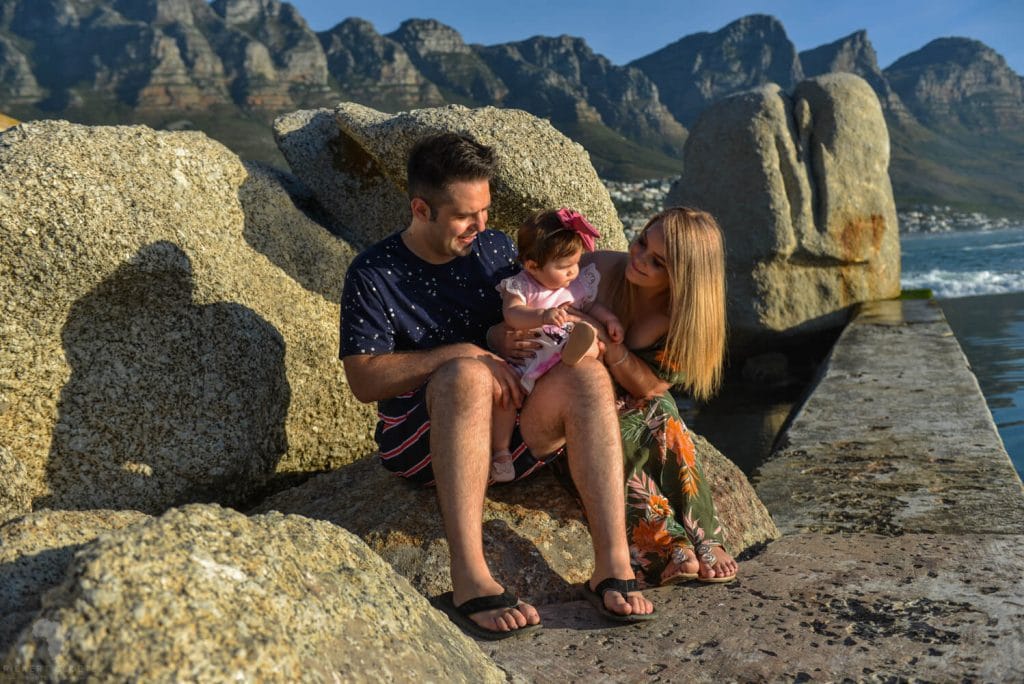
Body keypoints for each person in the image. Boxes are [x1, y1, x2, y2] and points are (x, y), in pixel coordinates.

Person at [339, 132, 654, 640]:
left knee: (588, 374)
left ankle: (611, 563)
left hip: (512, 435)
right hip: (426, 440)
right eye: (466, 215)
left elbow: (532, 303)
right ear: (422, 209)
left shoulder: (494, 249)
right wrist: (466, 352)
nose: (481, 226)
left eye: (485, 210)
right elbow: (363, 378)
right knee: (464, 374)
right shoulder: (375, 274)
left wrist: (513, 334)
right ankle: (470, 579)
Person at [579, 207, 740, 585]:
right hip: (579, 391)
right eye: (641, 243)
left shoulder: (683, 316)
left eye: (659, 262)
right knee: (620, 436)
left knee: (665, 417)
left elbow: (649, 386)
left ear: (683, 277)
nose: (639, 259)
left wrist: (608, 346)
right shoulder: (597, 270)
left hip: (635, 390)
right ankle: (666, 546)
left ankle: (704, 537)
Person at [489, 207, 624, 482]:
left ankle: (577, 351)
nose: (573, 272)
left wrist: (610, 320)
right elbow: (511, 314)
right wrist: (542, 315)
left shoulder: (572, 287)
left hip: (561, 357)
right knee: (505, 396)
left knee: (592, 344)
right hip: (531, 353)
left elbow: (592, 305)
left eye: (575, 263)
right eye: (564, 267)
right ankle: (501, 453)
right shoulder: (521, 286)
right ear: (532, 265)